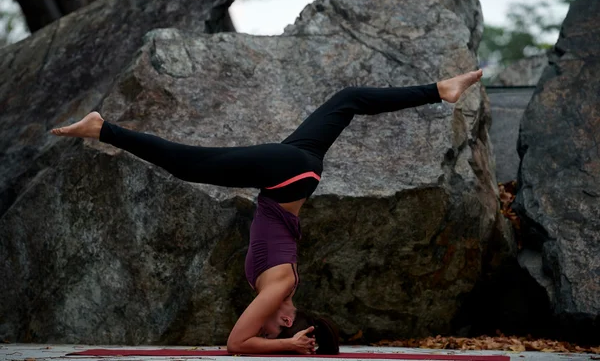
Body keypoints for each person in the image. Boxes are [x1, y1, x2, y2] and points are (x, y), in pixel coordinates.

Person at [51, 69, 483, 355]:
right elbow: (238, 344)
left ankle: (440, 91)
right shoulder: (280, 288)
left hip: (293, 172)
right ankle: (102, 128)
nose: (268, 331)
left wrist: (290, 344)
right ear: (291, 319)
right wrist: (290, 346)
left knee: (348, 98)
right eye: (276, 330)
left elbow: (245, 337)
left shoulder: (273, 286)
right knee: (189, 163)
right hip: (287, 176)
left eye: (273, 335)